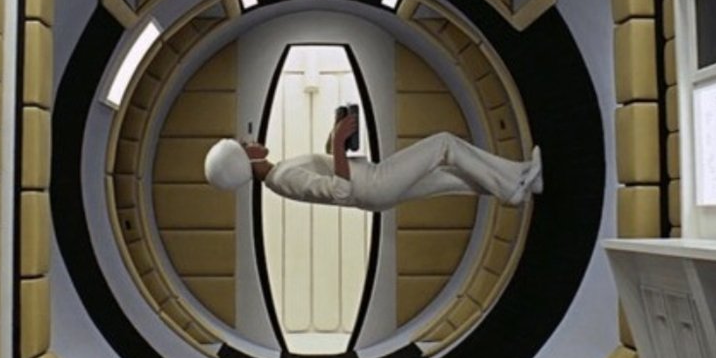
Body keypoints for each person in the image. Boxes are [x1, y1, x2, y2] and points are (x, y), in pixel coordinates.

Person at [204, 114, 542, 212]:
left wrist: (332, 141)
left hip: (373, 192)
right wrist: (339, 143)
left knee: (450, 177)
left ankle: (525, 179)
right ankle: (512, 189)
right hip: (373, 184)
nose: (250, 142)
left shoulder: (281, 174)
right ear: (245, 158)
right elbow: (339, 191)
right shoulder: (282, 178)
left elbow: (331, 173)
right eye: (244, 146)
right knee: (444, 144)